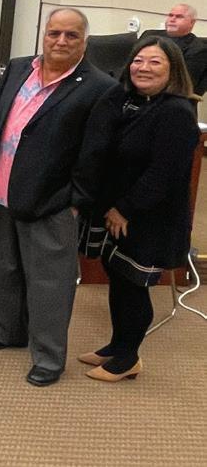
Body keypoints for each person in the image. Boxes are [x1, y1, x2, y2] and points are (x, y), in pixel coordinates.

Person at [0, 8, 116, 387]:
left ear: (84, 41)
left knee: (49, 282)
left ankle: (49, 357)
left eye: (71, 35)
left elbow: (97, 155)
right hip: (3, 187)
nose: (61, 41)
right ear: (44, 34)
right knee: (4, 266)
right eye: (54, 33)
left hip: (52, 201)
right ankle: (6, 329)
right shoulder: (20, 67)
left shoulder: (99, 87)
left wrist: (74, 201)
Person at [77, 36, 199, 382]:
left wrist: (124, 209)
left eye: (155, 62)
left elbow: (164, 173)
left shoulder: (176, 111)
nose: (143, 68)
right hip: (118, 211)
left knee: (133, 286)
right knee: (118, 279)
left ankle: (128, 357)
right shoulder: (130, 102)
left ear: (173, 70)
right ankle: (116, 346)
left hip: (147, 217)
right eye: (138, 60)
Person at [161, 3, 207, 96]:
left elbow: (183, 84)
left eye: (179, 17)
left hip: (170, 96)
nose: (172, 19)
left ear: (192, 23)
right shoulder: (149, 35)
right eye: (170, 15)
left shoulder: (198, 49)